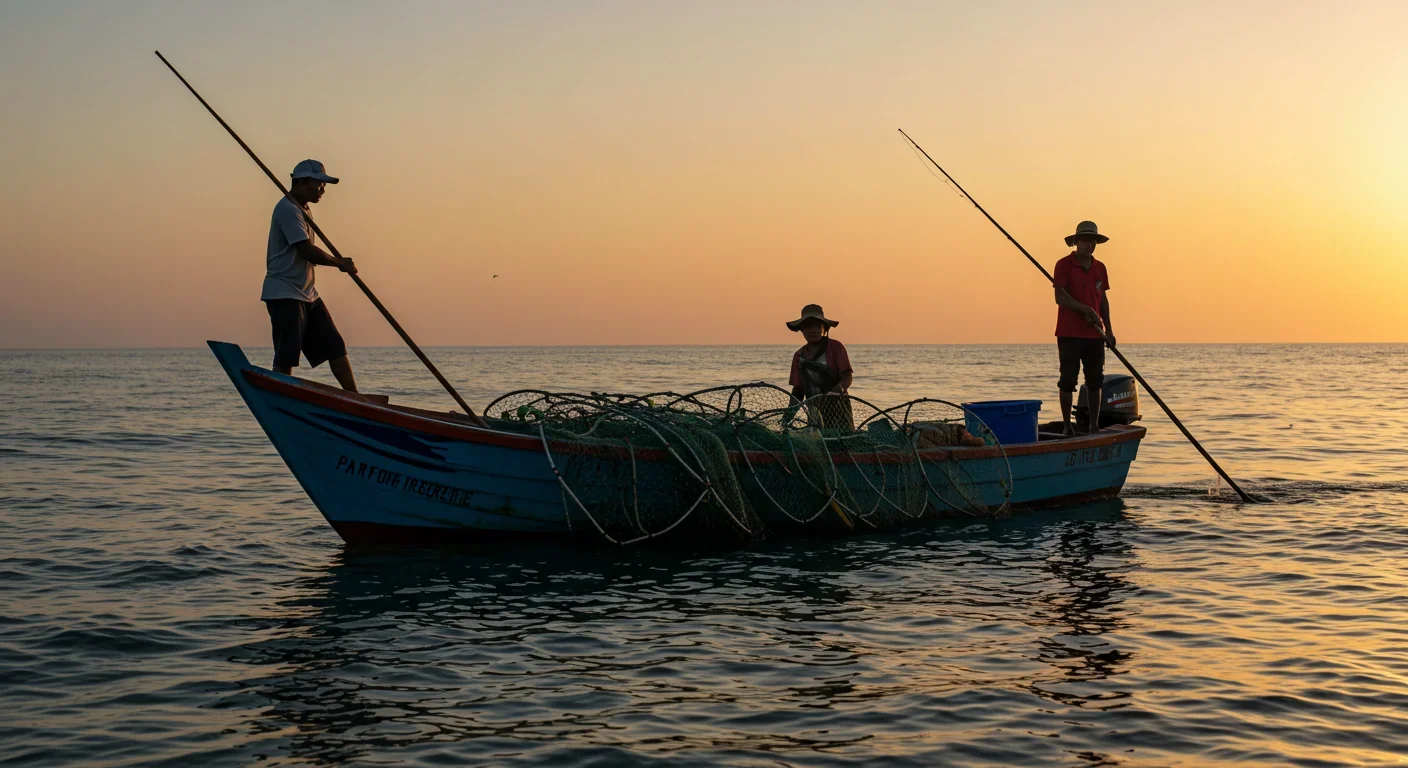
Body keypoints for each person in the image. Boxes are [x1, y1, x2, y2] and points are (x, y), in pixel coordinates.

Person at [262, 159, 359, 391]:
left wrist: (338, 263)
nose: (323, 190)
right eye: (319, 184)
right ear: (303, 182)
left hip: (307, 293)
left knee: (335, 345)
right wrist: (338, 263)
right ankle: (281, 396)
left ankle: (355, 398)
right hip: (285, 293)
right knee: (287, 355)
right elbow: (306, 251)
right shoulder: (287, 210)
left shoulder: (303, 209)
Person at [1052, 220, 1116, 434]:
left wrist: (1109, 330)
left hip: (1094, 335)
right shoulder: (1063, 265)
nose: (1090, 245)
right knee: (1068, 380)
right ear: (1076, 242)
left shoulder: (1100, 268)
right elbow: (1060, 297)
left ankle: (1094, 426)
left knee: (1095, 380)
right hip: (1069, 333)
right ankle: (1067, 427)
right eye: (1086, 240)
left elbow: (1103, 301)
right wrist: (1084, 309)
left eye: (1093, 241)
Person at [786, 304, 854, 429]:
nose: (812, 330)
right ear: (802, 330)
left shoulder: (835, 347)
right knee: (819, 439)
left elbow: (847, 376)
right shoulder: (799, 355)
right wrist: (788, 416)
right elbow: (798, 390)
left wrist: (838, 389)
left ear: (824, 328)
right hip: (814, 409)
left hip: (838, 407)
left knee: (842, 439)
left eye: (817, 326)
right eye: (807, 326)